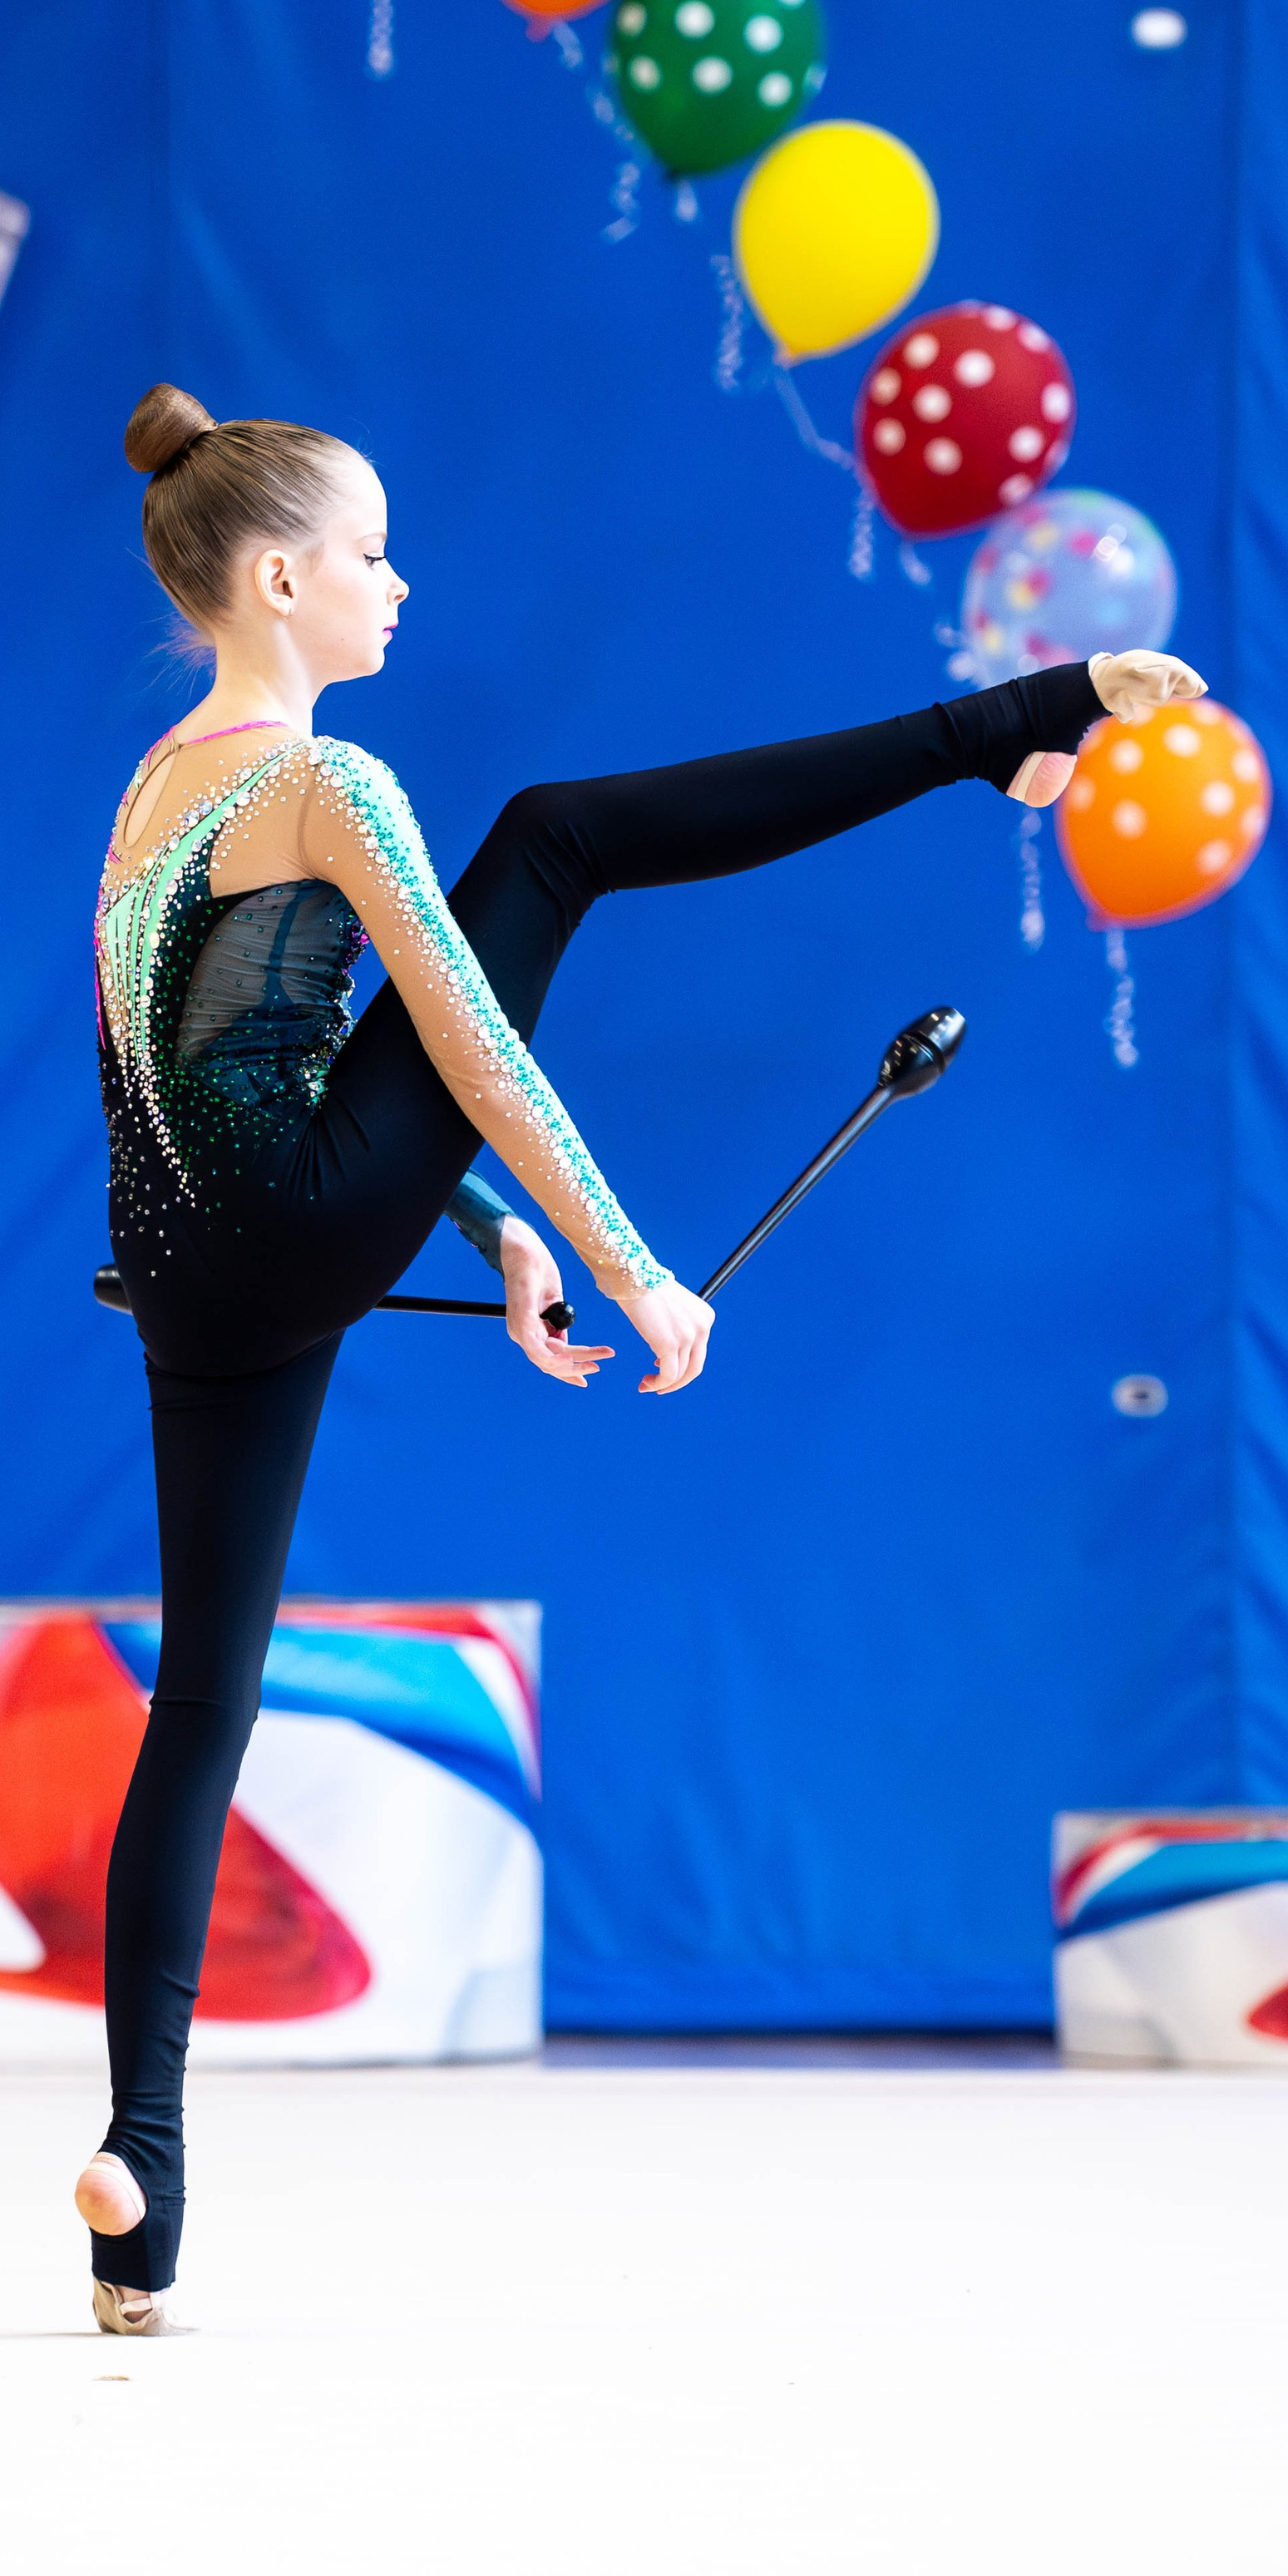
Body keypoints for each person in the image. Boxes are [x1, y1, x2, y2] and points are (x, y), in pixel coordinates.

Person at [77, 383, 1202, 2332]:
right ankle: (1001, 725)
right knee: (558, 841)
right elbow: (475, 1052)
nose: (397, 584)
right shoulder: (328, 788)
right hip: (293, 1226)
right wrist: (634, 1265)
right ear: (279, 576)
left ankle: (137, 2175)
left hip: (185, 1275)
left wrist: (496, 1238)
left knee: (200, 1708)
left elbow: (247, 1078)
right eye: (368, 554)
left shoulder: (156, 789)